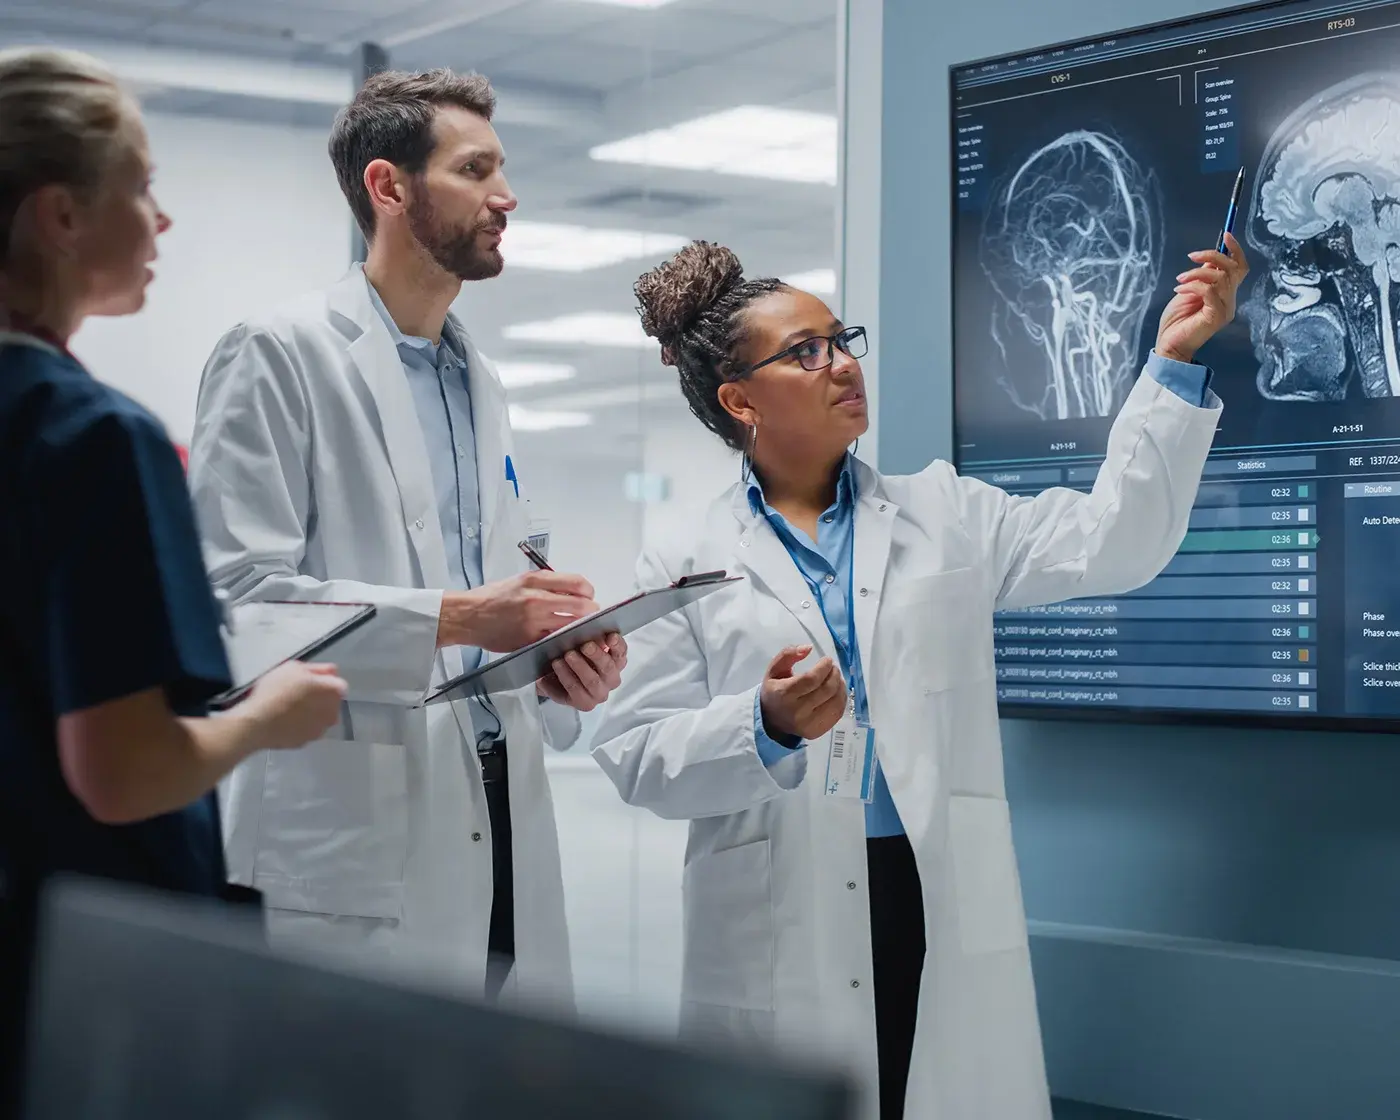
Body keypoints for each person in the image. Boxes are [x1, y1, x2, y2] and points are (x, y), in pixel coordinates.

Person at [590, 236, 1248, 1119]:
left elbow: (1115, 541)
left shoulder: (946, 514)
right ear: (740, 399)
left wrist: (1172, 361)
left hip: (929, 883)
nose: (842, 365)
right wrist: (765, 723)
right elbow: (635, 753)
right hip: (784, 900)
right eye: (806, 351)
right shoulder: (683, 556)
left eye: (842, 338)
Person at [188, 68, 627, 1003]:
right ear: (389, 188)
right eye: (476, 171)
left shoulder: (484, 383)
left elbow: (493, 589)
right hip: (355, 835)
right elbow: (234, 605)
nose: (506, 197)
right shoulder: (277, 352)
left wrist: (556, 656)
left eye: (501, 171)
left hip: (497, 804)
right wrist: (464, 617)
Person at [0, 48, 347, 1117]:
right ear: (60, 213)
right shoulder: (94, 439)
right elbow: (123, 770)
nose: (163, 220)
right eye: (141, 185)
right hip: (78, 967)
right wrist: (264, 718)